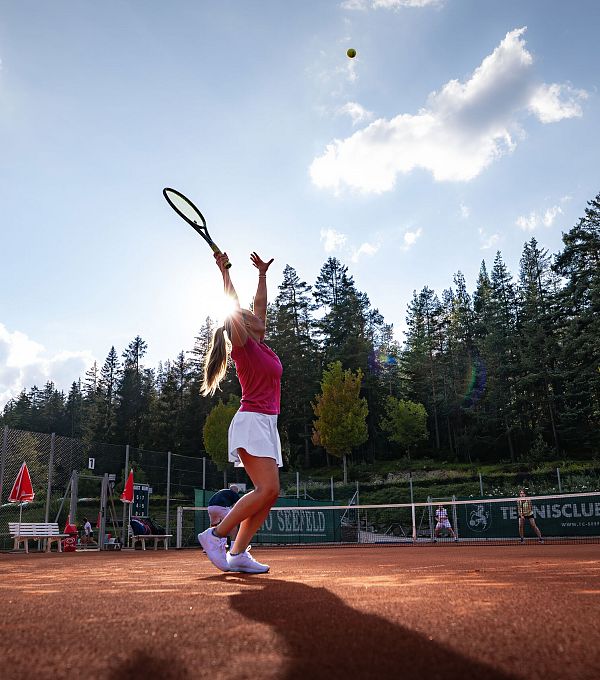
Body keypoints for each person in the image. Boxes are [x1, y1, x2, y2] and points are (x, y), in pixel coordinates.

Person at [198, 251, 282, 574]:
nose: (259, 314)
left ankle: (237, 553)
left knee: (269, 493)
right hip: (252, 422)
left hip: (266, 424)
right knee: (266, 489)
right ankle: (216, 535)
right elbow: (234, 306)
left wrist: (262, 275)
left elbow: (259, 305)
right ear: (242, 324)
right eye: (251, 315)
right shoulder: (244, 346)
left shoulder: (261, 344)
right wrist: (225, 272)